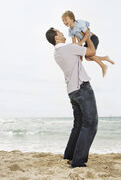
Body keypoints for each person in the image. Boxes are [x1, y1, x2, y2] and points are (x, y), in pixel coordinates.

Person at [45, 27, 98, 168]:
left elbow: (79, 55)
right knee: (90, 124)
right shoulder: (68, 48)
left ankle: (70, 155)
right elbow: (92, 52)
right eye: (60, 33)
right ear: (56, 38)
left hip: (72, 91)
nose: (63, 33)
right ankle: (78, 161)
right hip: (81, 88)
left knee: (79, 124)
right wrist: (88, 37)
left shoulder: (57, 52)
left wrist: (80, 41)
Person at [62, 10, 115, 77]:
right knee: (87, 58)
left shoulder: (79, 23)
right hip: (86, 42)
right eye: (63, 20)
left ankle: (103, 66)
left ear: (72, 19)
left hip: (92, 38)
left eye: (66, 20)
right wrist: (78, 55)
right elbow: (75, 43)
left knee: (89, 55)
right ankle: (105, 58)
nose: (64, 22)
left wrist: (80, 42)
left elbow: (87, 33)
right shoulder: (70, 30)